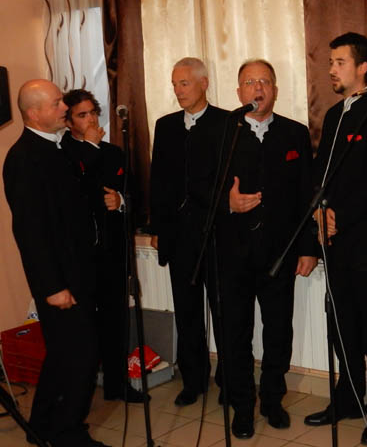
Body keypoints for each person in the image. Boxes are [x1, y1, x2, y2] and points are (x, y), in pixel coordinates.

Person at [212, 59, 317, 439]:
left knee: (277, 332)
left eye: (265, 82)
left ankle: (273, 400)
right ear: (238, 91)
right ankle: (242, 406)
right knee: (235, 334)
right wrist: (227, 203)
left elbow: (307, 195)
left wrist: (308, 248)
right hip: (231, 255)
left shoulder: (294, 133)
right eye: (250, 82)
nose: (258, 88)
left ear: (275, 89)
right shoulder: (221, 132)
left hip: (280, 254)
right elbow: (197, 189)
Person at [305, 32, 367, 445]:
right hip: (335, 242)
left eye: (340, 62)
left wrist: (339, 216)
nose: (331, 69)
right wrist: (319, 212)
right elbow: (321, 173)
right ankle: (347, 398)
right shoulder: (334, 115)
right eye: (330, 62)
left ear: (363, 67)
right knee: (340, 325)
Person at [3, 79, 107, 447]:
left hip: (76, 272)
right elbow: (30, 232)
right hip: (60, 281)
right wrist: (52, 287)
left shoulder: (55, 147)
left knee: (63, 355)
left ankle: (41, 427)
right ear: (34, 113)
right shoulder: (24, 158)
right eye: (57, 103)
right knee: (81, 356)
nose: (65, 107)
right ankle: (68, 434)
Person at [149, 57, 228, 406]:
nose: (178, 90)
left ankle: (229, 378)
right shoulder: (165, 126)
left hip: (216, 236)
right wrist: (157, 227)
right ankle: (193, 380)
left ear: (204, 83)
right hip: (179, 238)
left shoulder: (226, 123)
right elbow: (158, 181)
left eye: (184, 83)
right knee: (187, 311)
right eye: (175, 84)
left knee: (224, 312)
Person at [61, 89, 146, 403]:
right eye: (82, 115)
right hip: (81, 256)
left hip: (113, 250)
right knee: (84, 327)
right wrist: (90, 147)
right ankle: (80, 392)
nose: (91, 120)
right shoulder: (63, 153)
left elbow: (134, 193)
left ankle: (117, 384)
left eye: (93, 113)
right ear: (68, 122)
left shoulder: (113, 152)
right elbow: (74, 195)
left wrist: (120, 201)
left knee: (116, 321)